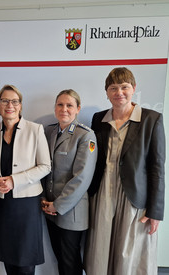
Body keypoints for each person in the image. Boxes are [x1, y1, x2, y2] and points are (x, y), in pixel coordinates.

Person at [84, 67, 166, 275]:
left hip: (134, 198)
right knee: (100, 253)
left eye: (124, 87)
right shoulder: (98, 119)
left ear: (133, 88)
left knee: (128, 257)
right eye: (113, 88)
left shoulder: (151, 120)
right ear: (107, 92)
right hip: (102, 194)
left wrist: (155, 211)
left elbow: (157, 167)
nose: (119, 92)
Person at [0, 84, 51, 275]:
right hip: (1, 204)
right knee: (8, 259)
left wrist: (14, 180)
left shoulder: (35, 130)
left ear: (20, 105)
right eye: (5, 100)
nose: (9, 105)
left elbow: (45, 166)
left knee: (26, 263)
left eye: (14, 101)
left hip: (26, 205)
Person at [41, 89, 97, 275]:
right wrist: (44, 199)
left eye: (69, 105)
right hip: (50, 210)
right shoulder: (48, 131)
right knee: (60, 258)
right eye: (60, 104)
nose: (64, 109)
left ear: (78, 109)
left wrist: (57, 205)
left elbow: (82, 178)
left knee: (70, 262)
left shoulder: (85, 136)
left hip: (70, 212)